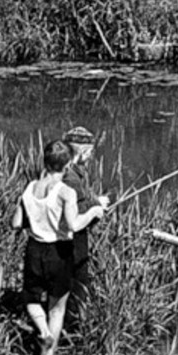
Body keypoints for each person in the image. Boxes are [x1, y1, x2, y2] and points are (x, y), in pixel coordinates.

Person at [11, 139, 107, 355]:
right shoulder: (66, 191)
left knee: (32, 300)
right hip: (59, 252)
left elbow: (15, 223)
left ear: (45, 161)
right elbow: (74, 225)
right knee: (57, 308)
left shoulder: (30, 187)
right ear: (67, 166)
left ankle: (42, 332)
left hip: (34, 250)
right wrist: (95, 210)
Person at [61, 126, 110, 331]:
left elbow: (76, 201)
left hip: (60, 238)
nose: (90, 157)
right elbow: (76, 211)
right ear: (82, 152)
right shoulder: (71, 178)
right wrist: (96, 208)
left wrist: (95, 200)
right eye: (89, 153)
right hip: (73, 239)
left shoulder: (64, 171)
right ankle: (72, 329)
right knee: (77, 283)